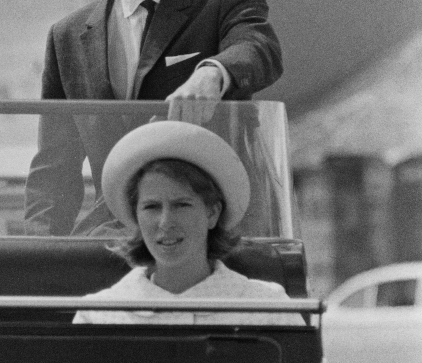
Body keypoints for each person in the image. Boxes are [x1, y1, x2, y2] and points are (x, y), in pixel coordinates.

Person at [24, 0, 283, 236]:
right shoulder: (68, 38)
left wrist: (213, 74)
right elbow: (54, 173)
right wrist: (33, 261)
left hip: (212, 241)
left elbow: (258, 48)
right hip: (113, 247)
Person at [72, 121, 304, 325]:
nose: (165, 222)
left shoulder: (268, 309)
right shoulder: (99, 315)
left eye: (182, 205)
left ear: (212, 213)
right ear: (136, 216)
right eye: (151, 207)